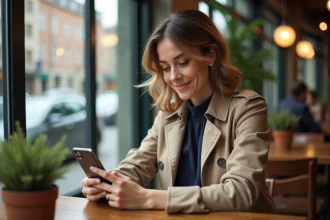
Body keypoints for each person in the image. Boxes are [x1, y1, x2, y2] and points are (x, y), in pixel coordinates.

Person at [81, 10, 276, 214]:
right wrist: (107, 183)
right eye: (165, 67)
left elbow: (241, 192)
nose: (173, 76)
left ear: (210, 56)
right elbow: (138, 165)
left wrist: (148, 198)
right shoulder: (168, 115)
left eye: (183, 63)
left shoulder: (248, 107)